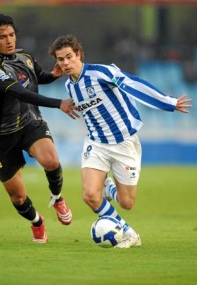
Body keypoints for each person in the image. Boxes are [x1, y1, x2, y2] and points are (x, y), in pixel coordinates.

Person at [49, 35, 192, 248]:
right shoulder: (70, 87)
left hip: (124, 143)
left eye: (69, 57)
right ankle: (128, 232)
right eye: (61, 59)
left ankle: (108, 187)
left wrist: (168, 103)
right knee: (89, 195)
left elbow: (133, 84)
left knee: (126, 203)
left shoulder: (101, 72)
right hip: (96, 143)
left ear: (78, 54)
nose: (66, 63)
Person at [0, 14, 79, 243]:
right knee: (17, 196)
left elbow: (37, 77)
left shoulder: (24, 56)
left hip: (29, 122)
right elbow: (19, 92)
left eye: (12, 35)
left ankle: (57, 198)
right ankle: (37, 222)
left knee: (52, 161)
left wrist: (53, 75)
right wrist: (58, 103)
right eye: (2, 37)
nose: (9, 40)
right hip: (0, 137)